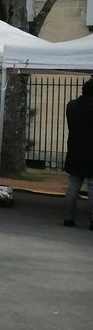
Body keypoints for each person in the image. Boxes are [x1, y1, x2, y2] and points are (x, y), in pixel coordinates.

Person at [61, 78, 93, 229]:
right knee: (92, 186)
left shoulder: (72, 106)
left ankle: (68, 217)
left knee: (73, 184)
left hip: (75, 149)